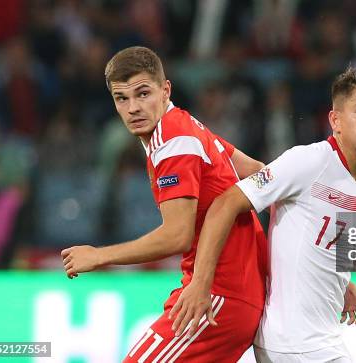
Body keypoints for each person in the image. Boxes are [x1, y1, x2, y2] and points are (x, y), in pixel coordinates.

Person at [60, 46, 268, 363]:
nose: (133, 108)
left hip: (215, 298)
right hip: (235, 296)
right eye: (122, 98)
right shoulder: (189, 126)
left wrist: (99, 256)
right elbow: (263, 174)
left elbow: (177, 236)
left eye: (143, 93)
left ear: (165, 89)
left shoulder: (172, 140)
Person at [170, 68, 356, 362]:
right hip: (294, 342)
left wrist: (342, 282)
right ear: (335, 120)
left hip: (319, 337)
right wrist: (201, 283)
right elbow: (224, 205)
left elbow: (321, 237)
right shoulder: (307, 161)